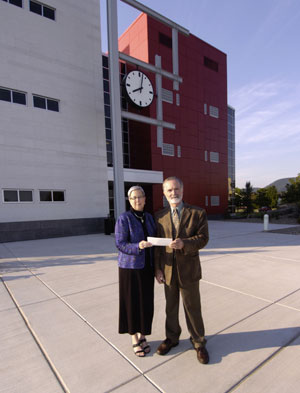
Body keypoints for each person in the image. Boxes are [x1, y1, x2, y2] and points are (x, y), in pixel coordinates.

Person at [155, 176, 209, 364]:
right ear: (164, 193)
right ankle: (172, 338)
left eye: (176, 189)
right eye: (169, 190)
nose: (173, 193)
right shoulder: (159, 216)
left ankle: (199, 342)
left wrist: (184, 243)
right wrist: (157, 269)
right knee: (171, 307)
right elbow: (157, 247)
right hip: (168, 270)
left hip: (189, 271)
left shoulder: (198, 213)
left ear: (182, 190)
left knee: (192, 307)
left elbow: (203, 238)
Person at [115, 185, 156, 357]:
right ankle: (134, 338)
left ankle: (143, 335)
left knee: (146, 303)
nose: (137, 200)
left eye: (140, 197)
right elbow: (120, 243)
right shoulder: (124, 218)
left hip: (147, 267)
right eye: (133, 198)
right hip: (130, 268)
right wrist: (137, 246)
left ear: (145, 199)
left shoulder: (149, 217)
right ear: (129, 200)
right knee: (131, 303)